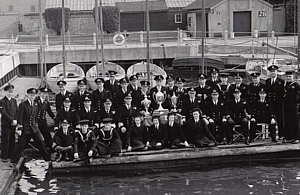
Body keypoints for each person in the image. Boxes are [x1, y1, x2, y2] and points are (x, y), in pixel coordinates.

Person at [10, 88, 50, 166]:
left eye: (34, 95)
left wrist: (36, 125)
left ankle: (47, 158)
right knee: (21, 144)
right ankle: (13, 161)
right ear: (28, 95)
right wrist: (20, 128)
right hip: (26, 128)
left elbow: (35, 117)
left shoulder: (35, 104)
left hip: (34, 128)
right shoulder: (23, 105)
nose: (32, 96)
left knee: (41, 141)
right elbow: (20, 117)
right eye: (31, 95)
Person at [265, 65, 285, 139]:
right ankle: (272, 135)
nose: (272, 73)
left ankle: (281, 134)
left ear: (276, 72)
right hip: (271, 103)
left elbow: (282, 93)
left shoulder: (281, 82)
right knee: (271, 118)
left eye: (274, 71)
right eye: (271, 71)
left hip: (278, 103)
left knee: (280, 119)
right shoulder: (267, 81)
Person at [0, 84, 18, 162]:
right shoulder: (2, 101)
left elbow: (17, 111)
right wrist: (12, 120)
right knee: (5, 140)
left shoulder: (14, 100)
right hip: (6, 124)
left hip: (13, 124)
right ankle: (4, 156)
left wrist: (16, 120)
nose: (10, 93)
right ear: (6, 92)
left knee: (12, 139)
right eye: (9, 92)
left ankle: (10, 155)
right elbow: (4, 113)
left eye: (12, 92)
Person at [283, 70, 300, 144]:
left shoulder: (296, 85)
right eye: (287, 76)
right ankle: (289, 136)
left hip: (294, 105)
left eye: (290, 76)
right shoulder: (286, 84)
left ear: (293, 77)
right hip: (287, 105)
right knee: (287, 120)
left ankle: (297, 137)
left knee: (295, 121)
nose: (288, 78)